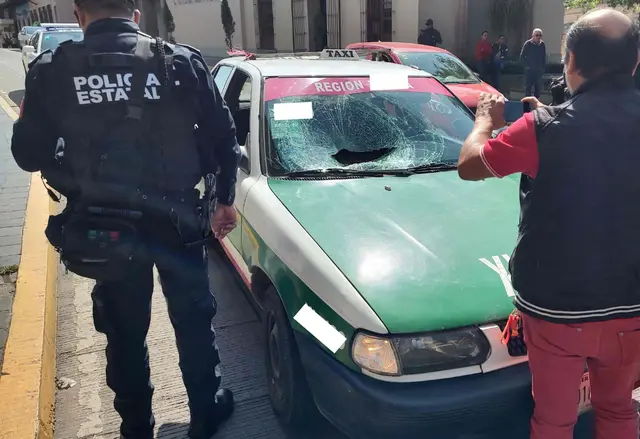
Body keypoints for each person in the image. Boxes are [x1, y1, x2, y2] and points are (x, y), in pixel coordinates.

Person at [11, 0, 241, 438]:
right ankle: (205, 413)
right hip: (178, 219)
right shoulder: (181, 61)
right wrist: (224, 199)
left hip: (104, 225)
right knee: (193, 321)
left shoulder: (53, 70)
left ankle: (137, 427)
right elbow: (223, 134)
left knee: (124, 331)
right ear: (135, 14)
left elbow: (27, 155)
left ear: (79, 15)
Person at [457, 8, 640, 439]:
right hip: (631, 307)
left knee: (555, 419)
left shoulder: (540, 129)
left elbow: (469, 165)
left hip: (559, 311)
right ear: (635, 62)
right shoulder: (547, 124)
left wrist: (486, 119)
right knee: (617, 409)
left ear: (571, 59)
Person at [520, 28, 547, 99]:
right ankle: (526, 106)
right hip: (529, 70)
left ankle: (536, 105)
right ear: (533, 35)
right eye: (537, 35)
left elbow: (544, 57)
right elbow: (522, 56)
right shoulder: (528, 44)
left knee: (537, 89)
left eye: (540, 35)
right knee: (528, 88)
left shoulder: (542, 44)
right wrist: (526, 67)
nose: (538, 37)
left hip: (538, 70)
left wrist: (543, 68)